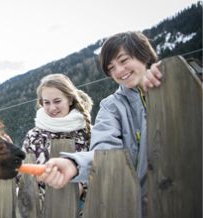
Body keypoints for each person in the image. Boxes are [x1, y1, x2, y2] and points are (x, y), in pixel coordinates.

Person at [36, 31, 163, 217]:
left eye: (123, 60)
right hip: (138, 208)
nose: (118, 71)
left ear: (144, 55)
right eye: (111, 68)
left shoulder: (177, 84)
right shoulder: (111, 108)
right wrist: (74, 164)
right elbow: (105, 152)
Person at [19, 73, 93, 216]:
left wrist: (83, 187)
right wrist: (37, 180)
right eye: (47, 102)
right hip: (43, 211)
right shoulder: (34, 136)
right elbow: (21, 177)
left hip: (84, 210)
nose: (52, 108)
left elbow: (99, 168)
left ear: (70, 99)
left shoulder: (88, 133)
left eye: (57, 101)